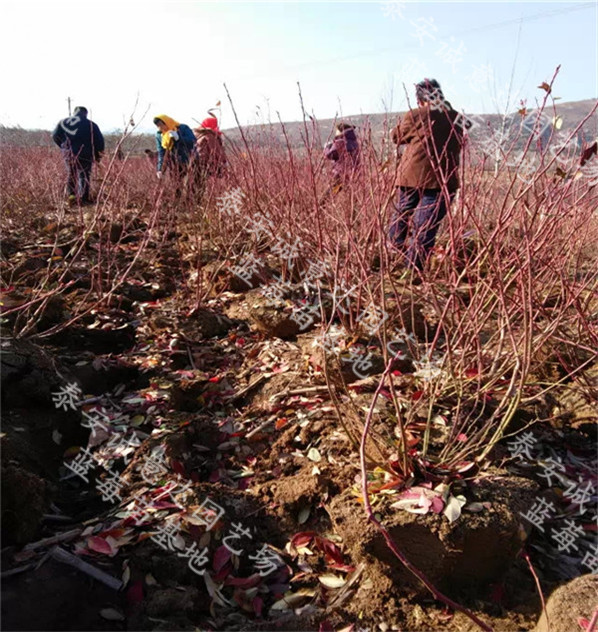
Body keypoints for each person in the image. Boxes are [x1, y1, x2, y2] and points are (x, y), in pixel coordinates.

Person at [389, 79, 465, 275]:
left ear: (420, 100)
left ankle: (395, 251)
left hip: (412, 176)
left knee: (402, 214)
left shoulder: (416, 115)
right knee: (426, 227)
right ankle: (413, 271)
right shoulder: (457, 117)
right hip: (444, 179)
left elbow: (397, 138)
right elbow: (461, 141)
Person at [52, 106, 104, 205]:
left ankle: (71, 197)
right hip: (86, 154)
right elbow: (99, 142)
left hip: (69, 153)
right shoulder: (92, 125)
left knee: (71, 174)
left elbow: (55, 136)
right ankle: (83, 199)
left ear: (74, 112)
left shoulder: (63, 122)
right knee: (84, 175)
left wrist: (64, 147)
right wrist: (98, 156)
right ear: (86, 114)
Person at [153, 114, 196, 187]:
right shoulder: (160, 135)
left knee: (192, 186)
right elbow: (161, 153)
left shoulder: (183, 128)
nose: (160, 128)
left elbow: (192, 140)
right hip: (174, 164)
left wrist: (179, 138)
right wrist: (159, 169)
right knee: (176, 185)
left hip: (189, 160)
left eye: (161, 125)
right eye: (158, 126)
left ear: (166, 122)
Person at [322, 122, 360, 201]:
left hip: (340, 173)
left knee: (328, 196)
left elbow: (329, 155)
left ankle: (318, 210)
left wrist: (326, 147)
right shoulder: (355, 141)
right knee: (352, 199)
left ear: (340, 131)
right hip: (354, 173)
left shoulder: (340, 141)